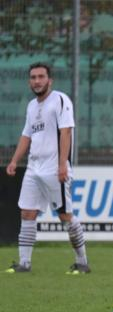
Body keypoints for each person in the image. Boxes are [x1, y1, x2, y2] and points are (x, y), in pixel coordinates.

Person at [5, 62, 90, 275]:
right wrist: (15, 160)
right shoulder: (32, 106)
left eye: (41, 77)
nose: (37, 81)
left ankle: (82, 262)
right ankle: (24, 264)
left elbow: (66, 132)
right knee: (27, 212)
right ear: (29, 81)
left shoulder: (60, 100)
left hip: (54, 168)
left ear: (49, 80)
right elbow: (27, 135)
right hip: (34, 167)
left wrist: (62, 164)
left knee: (65, 216)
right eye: (33, 77)